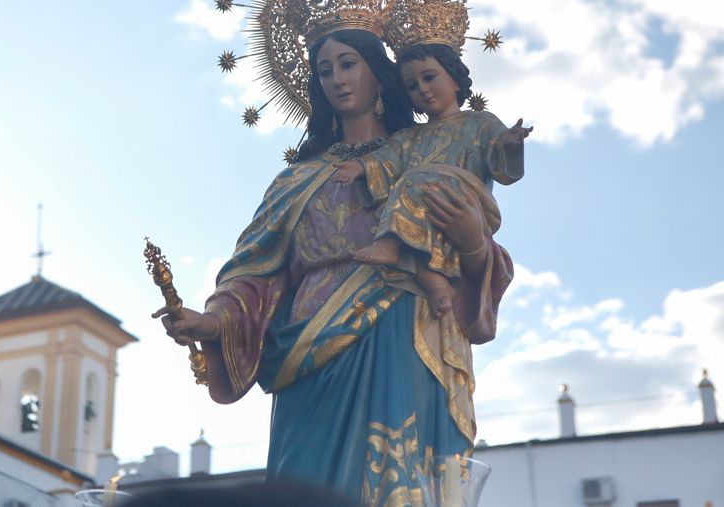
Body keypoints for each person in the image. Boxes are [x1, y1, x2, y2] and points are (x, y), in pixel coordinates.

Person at [154, 29, 513, 506]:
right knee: (306, 485)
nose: (337, 80)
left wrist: (472, 244)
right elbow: (256, 270)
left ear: (378, 75)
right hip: (310, 343)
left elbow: (468, 248)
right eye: (325, 70)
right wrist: (214, 321)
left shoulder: (422, 157)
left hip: (404, 328)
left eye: (348, 64)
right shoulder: (297, 179)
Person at [343, 43, 532, 319]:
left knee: (414, 181)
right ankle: (437, 288)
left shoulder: (479, 123)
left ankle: (389, 245)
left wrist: (511, 146)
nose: (423, 89)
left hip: (463, 202)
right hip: (421, 210)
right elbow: (387, 158)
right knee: (417, 242)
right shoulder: (410, 137)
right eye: (413, 86)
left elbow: (503, 167)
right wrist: (360, 166)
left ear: (455, 79)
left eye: (429, 77)